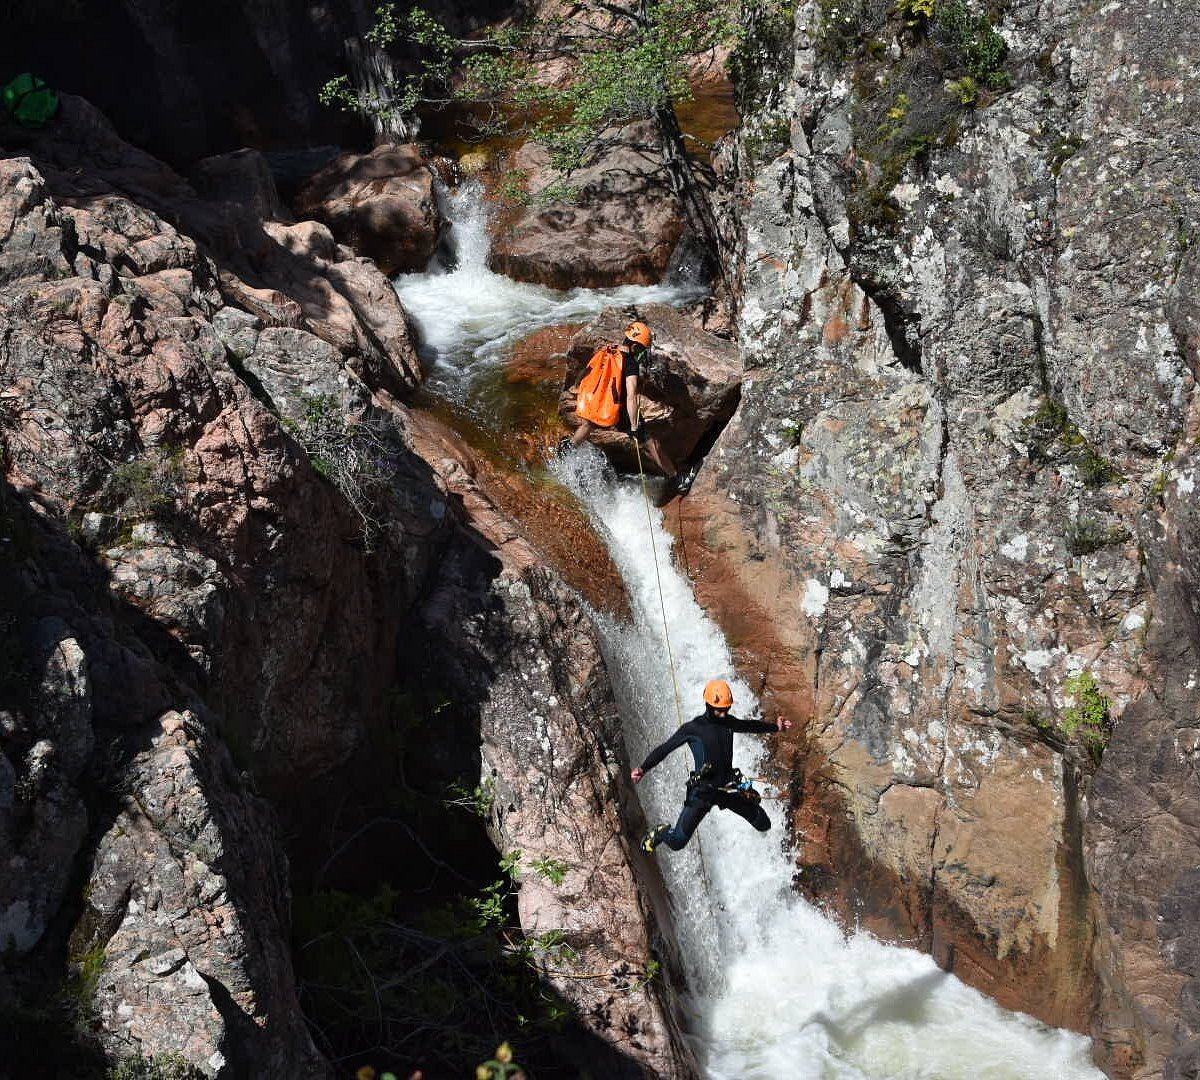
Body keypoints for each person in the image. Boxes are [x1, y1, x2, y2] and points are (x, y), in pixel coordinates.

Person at [632, 679, 793, 854]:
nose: (723, 714)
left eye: (726, 709)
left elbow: (750, 726)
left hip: (727, 788)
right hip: (702, 793)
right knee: (677, 842)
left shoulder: (728, 722)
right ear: (708, 705)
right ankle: (661, 832)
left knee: (763, 823)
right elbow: (665, 748)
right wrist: (643, 768)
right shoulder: (693, 728)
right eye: (719, 710)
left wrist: (776, 727)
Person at [568, 320, 681, 484]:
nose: (643, 354)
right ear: (635, 347)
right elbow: (631, 395)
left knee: (589, 425)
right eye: (642, 350)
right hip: (623, 410)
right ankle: (676, 478)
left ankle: (567, 451)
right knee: (651, 443)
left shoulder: (609, 350)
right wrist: (634, 426)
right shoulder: (630, 363)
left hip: (604, 402)